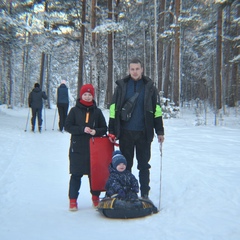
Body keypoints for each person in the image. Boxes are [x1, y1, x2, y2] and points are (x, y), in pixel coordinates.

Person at [108, 57, 164, 200]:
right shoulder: (122, 86)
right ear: (129, 70)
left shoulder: (150, 87)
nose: (134, 71)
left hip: (144, 133)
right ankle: (126, 193)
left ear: (142, 70)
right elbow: (113, 109)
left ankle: (144, 194)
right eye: (132, 69)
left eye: (137, 69)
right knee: (125, 165)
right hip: (125, 133)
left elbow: (156, 110)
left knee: (144, 165)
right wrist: (112, 130)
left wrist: (160, 131)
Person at [65, 84, 107, 211]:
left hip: (93, 149)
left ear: (93, 96)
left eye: (90, 95)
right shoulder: (74, 111)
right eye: (85, 94)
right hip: (77, 149)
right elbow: (67, 126)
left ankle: (95, 198)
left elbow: (104, 128)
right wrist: (81, 129)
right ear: (81, 95)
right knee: (76, 174)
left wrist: (96, 131)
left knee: (94, 174)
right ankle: (73, 200)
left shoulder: (97, 111)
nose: (88, 97)